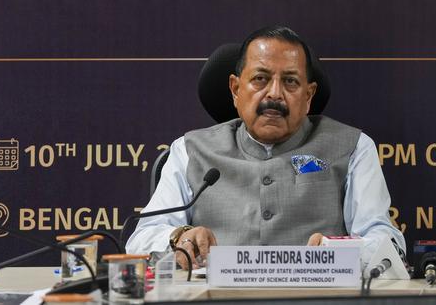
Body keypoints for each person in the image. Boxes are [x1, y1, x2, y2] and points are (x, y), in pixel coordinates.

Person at [127, 25, 404, 267]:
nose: (274, 93)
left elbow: (386, 243)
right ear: (236, 89)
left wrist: (337, 250)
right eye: (260, 79)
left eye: (290, 81)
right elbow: (141, 240)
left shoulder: (353, 147)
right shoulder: (189, 150)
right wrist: (180, 237)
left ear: (308, 95)